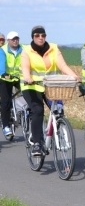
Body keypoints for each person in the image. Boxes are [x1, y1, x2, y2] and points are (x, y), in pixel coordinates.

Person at [20, 25, 80, 157]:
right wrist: (27, 77)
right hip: (31, 86)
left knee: (58, 109)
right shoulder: (27, 51)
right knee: (38, 110)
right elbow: (25, 67)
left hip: (50, 86)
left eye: (43, 35)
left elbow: (62, 66)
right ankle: (36, 143)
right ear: (33, 37)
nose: (40, 38)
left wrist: (73, 76)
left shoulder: (53, 48)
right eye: (37, 36)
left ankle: (57, 132)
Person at [0, 31, 23, 139]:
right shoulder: (3, 50)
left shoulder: (23, 49)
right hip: (6, 78)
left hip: (19, 77)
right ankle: (6, 127)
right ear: (8, 41)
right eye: (13, 39)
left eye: (17, 38)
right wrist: (3, 73)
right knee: (5, 102)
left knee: (30, 95)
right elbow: (1, 63)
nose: (15, 41)